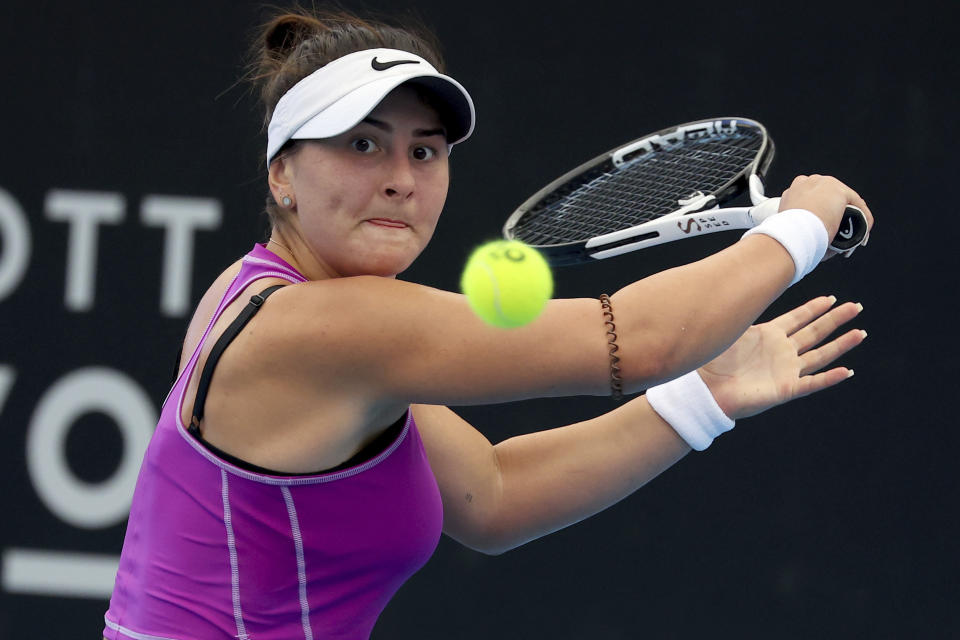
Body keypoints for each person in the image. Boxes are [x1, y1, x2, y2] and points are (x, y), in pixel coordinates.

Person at [103, 7, 874, 640]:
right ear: (282, 173)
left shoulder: (263, 297)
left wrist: (704, 394)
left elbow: (494, 497)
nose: (402, 180)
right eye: (363, 145)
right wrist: (799, 230)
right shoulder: (326, 325)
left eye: (425, 151)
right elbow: (638, 341)